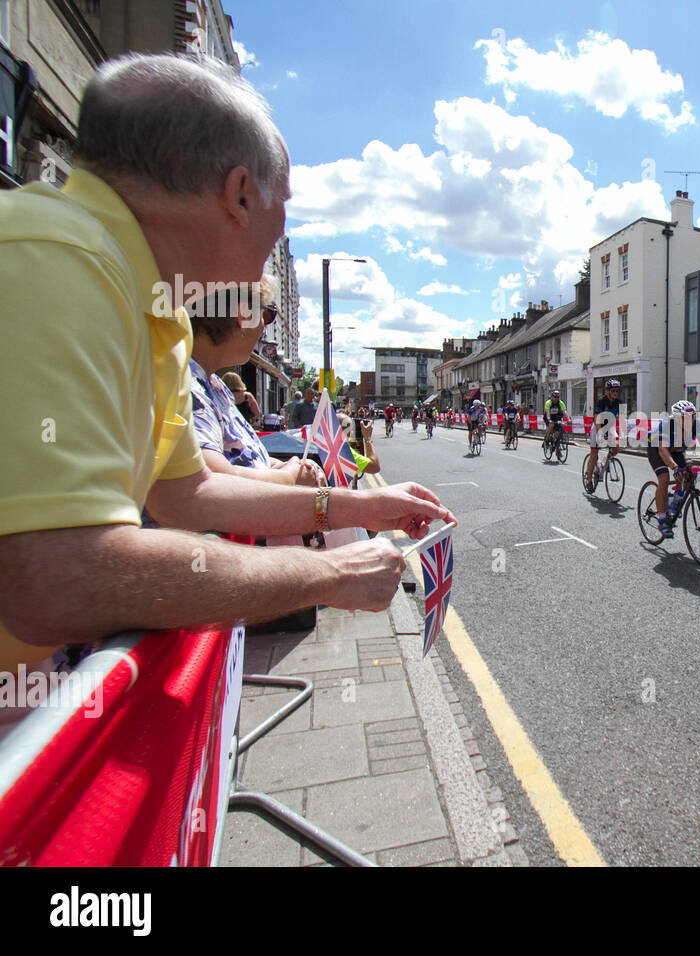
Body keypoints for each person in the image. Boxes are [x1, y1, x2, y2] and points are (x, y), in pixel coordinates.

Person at [0, 53, 452, 678]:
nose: (283, 228)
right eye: (283, 199)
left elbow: (190, 495)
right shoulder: (59, 261)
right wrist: (327, 572)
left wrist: (360, 508)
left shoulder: (153, 308)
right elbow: (55, 576)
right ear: (239, 194)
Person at [189, 277, 323, 487]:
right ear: (243, 316)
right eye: (267, 315)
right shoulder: (186, 386)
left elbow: (242, 453)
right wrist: (289, 478)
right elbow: (211, 478)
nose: (263, 327)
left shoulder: (213, 384)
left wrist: (284, 467)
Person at [648, 400, 700, 538]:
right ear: (676, 417)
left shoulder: (695, 425)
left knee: (690, 475)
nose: (691, 420)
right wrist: (675, 467)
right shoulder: (667, 425)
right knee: (664, 478)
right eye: (686, 417)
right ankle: (662, 519)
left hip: (676, 450)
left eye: (693, 416)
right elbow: (662, 450)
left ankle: (674, 503)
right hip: (657, 449)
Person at [584, 379, 621, 488]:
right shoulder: (601, 401)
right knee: (594, 453)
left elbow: (622, 419)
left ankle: (603, 463)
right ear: (608, 391)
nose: (615, 393)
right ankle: (589, 480)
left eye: (617, 391)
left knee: (616, 447)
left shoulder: (619, 402)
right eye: (613, 390)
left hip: (609, 427)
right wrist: (600, 433)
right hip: (597, 426)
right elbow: (597, 418)